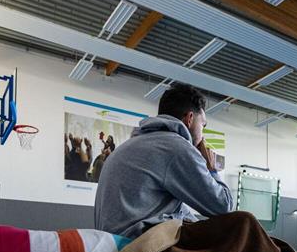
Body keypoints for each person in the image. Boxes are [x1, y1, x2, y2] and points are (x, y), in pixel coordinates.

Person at [95, 83, 233, 238]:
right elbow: (223, 206)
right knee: (244, 224)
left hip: (112, 244)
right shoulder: (178, 148)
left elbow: (178, 210)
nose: (203, 135)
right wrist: (211, 168)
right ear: (190, 119)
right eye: (203, 126)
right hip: (138, 247)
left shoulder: (126, 146)